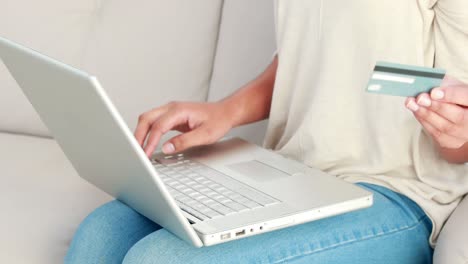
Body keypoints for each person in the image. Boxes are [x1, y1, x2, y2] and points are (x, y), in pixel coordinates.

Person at [65, 1, 468, 263]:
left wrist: (455, 134)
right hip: (294, 174)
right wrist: (225, 111)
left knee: (158, 259)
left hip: (395, 194)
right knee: (100, 236)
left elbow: (460, 117)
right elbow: (303, 57)